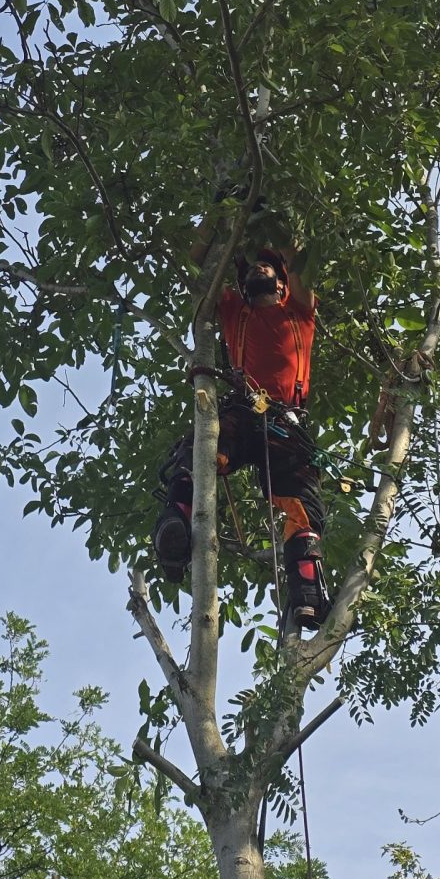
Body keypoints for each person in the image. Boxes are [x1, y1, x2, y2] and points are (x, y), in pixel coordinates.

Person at [153, 242, 330, 631]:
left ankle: (306, 592)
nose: (260, 269)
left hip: (286, 420)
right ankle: (177, 526)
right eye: (254, 267)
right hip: (243, 409)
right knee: (198, 452)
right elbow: (193, 263)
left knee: (302, 499)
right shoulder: (236, 311)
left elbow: (301, 262)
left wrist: (277, 227)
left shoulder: (299, 312)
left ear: (283, 284)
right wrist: (222, 218)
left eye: (269, 267)